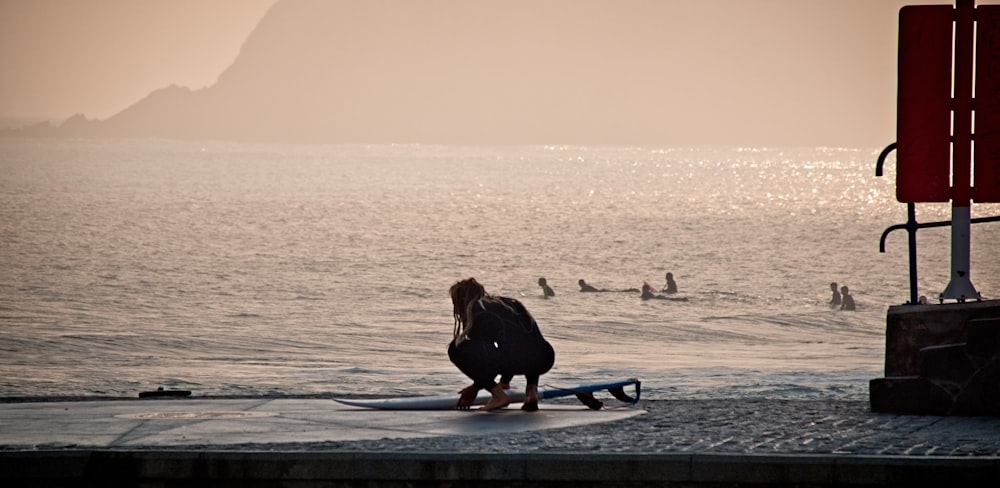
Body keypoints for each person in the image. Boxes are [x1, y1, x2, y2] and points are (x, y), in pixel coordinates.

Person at [448, 278, 556, 411]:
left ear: (461, 300)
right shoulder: (509, 304)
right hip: (545, 357)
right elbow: (522, 343)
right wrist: (504, 381)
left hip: (519, 360)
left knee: (456, 348)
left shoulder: (476, 311)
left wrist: (476, 388)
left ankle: (499, 397)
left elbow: (485, 360)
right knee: (528, 345)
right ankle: (531, 390)